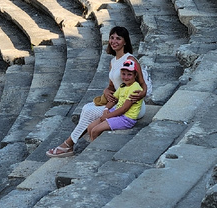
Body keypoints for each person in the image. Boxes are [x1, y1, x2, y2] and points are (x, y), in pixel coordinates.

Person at [47, 26, 148, 157]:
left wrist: (143, 93)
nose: (114, 41)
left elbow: (142, 83)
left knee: (90, 112)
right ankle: (72, 143)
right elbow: (112, 86)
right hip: (117, 101)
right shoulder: (113, 61)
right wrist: (106, 91)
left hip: (130, 106)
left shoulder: (130, 60)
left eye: (118, 38)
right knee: (86, 107)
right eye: (112, 38)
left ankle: (68, 144)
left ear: (125, 42)